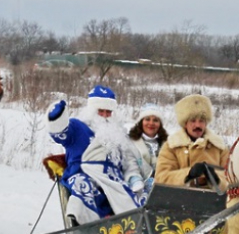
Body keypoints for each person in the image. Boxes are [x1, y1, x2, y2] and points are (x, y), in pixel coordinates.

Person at [47, 85, 147, 225]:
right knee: (83, 185)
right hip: (84, 174)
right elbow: (60, 134)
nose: (105, 116)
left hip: (113, 181)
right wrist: (56, 117)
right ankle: (92, 223)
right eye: (101, 111)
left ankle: (139, 226)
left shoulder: (117, 135)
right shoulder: (78, 127)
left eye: (109, 112)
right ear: (91, 111)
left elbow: (127, 162)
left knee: (142, 195)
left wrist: (134, 178)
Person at [155, 94, 229, 188]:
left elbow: (231, 179)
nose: (197, 125)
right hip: (177, 200)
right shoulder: (171, 146)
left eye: (201, 121)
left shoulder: (219, 147)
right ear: (185, 123)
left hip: (212, 200)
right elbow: (161, 178)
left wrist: (216, 179)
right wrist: (188, 174)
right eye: (193, 121)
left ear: (206, 123)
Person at [128, 103, 168, 189]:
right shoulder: (130, 142)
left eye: (155, 120)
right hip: (137, 188)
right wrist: (136, 180)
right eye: (147, 119)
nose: (151, 123)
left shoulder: (168, 143)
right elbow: (129, 165)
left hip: (163, 188)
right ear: (141, 122)